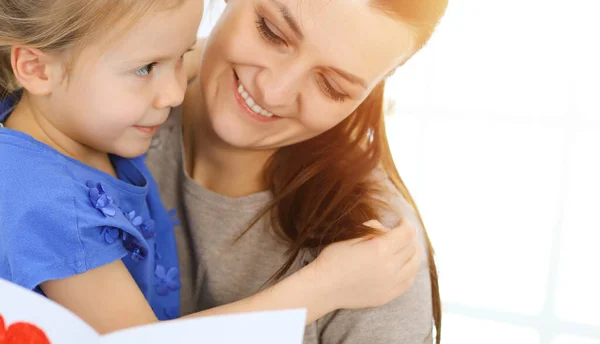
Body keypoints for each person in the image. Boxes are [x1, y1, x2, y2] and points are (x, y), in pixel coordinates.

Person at [0, 0, 421, 335]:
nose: (174, 92)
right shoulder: (47, 192)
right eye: (270, 31)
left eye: (332, 85)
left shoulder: (80, 102)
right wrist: (324, 287)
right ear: (34, 67)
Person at [146, 0, 448, 343]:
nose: (273, 92)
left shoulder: (376, 256)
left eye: (331, 86)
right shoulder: (98, 111)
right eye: (270, 32)